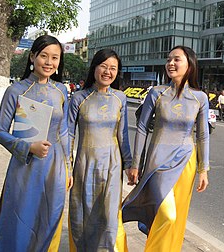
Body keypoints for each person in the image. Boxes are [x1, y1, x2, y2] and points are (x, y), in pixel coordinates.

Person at [0, 35, 73, 251]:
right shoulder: (16, 90)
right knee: (21, 219)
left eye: (55, 58)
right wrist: (28, 147)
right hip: (25, 167)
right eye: (44, 56)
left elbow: (65, 130)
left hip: (55, 168)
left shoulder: (61, 91)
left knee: (49, 218)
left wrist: (69, 168)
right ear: (32, 57)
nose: (49, 62)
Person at [122, 45, 210, 252]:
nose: (171, 63)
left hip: (186, 163)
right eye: (169, 59)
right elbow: (142, 128)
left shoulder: (200, 98)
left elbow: (203, 135)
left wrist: (203, 169)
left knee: (177, 218)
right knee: (166, 214)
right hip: (157, 163)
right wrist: (136, 164)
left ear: (190, 64)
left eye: (177, 59)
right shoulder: (157, 93)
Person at [68, 49, 132, 251]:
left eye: (113, 68)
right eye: (103, 66)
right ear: (94, 67)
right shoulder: (79, 98)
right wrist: (67, 167)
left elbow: (123, 135)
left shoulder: (120, 98)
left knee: (109, 217)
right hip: (85, 164)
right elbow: (68, 134)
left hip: (112, 165)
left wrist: (130, 165)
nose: (108, 71)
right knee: (83, 214)